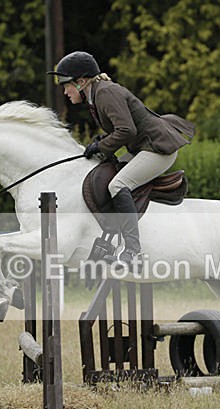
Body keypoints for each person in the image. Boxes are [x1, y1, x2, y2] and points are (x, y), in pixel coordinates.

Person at [47, 51, 195, 268]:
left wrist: (100, 145)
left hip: (158, 150)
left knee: (118, 184)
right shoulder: (96, 95)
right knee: (106, 172)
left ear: (81, 82)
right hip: (143, 147)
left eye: (66, 85)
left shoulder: (105, 93)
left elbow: (126, 130)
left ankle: (134, 251)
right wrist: (100, 146)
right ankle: (109, 241)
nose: (65, 91)